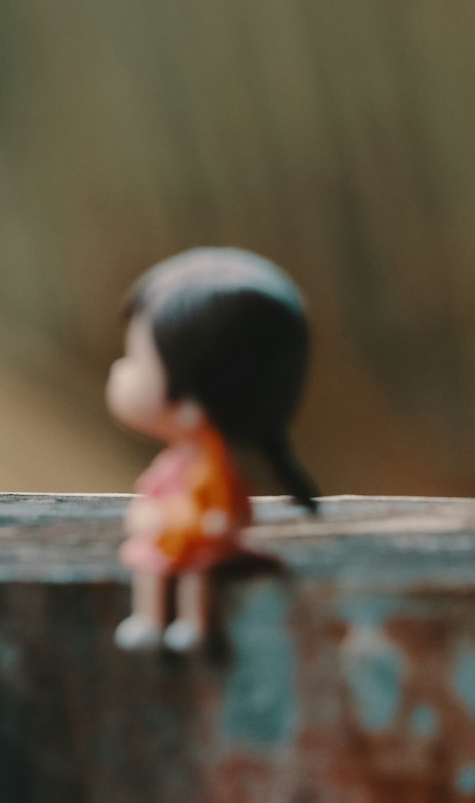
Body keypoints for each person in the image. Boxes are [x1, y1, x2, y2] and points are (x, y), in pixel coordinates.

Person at [106, 247, 318, 652]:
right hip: (171, 541)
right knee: (149, 565)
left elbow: (232, 512)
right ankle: (149, 619)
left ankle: (195, 623)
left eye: (134, 359)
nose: (120, 372)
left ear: (190, 405)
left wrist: (210, 527)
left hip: (196, 545)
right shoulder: (180, 466)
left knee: (196, 572)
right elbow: (148, 502)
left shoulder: (213, 470)